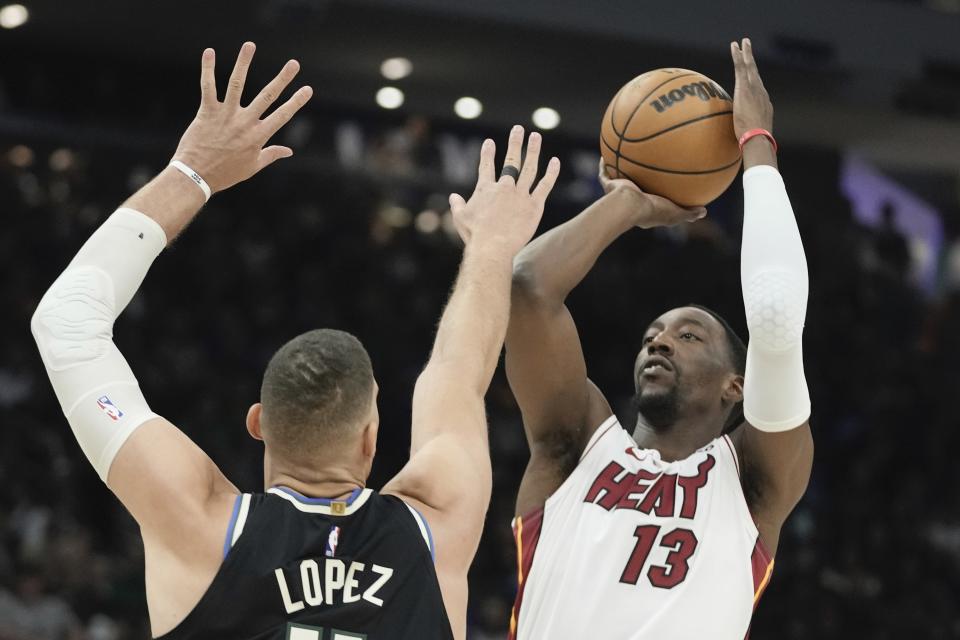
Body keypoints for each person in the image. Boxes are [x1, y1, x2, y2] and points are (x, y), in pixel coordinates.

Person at [29, 41, 560, 640]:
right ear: (370, 436)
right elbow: (458, 377)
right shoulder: (436, 528)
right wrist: (491, 248)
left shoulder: (198, 520)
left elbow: (65, 325)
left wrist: (192, 173)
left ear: (257, 422)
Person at [504, 38, 813, 639]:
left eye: (689, 335)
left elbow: (775, 320)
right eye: (653, 335)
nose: (660, 342)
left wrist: (757, 149)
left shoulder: (751, 482)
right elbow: (527, 288)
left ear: (737, 386)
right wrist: (625, 202)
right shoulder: (576, 450)